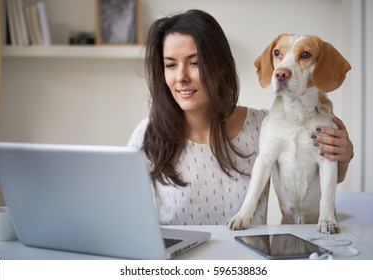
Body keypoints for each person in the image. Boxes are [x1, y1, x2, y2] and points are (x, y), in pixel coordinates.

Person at [127, 9, 354, 226]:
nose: (181, 77)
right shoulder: (147, 134)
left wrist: (342, 156)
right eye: (170, 65)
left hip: (248, 260)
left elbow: (313, 175)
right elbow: (121, 208)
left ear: (221, 68)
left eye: (195, 63)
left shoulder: (261, 126)